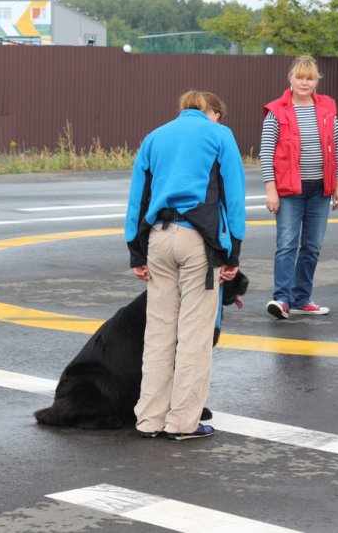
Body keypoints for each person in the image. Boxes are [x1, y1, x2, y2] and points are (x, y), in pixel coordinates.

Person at [125, 90, 246, 440]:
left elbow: (138, 196)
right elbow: (233, 196)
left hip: (158, 239)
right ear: (210, 112)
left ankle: (148, 420)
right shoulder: (219, 135)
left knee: (159, 333)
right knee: (194, 335)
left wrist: (136, 251)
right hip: (199, 241)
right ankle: (183, 423)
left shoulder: (155, 137)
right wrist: (232, 252)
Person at [260, 56, 338, 320]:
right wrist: (270, 189)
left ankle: (302, 298)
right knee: (286, 245)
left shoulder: (328, 108)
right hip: (289, 191)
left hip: (320, 190)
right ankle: (282, 300)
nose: (304, 82)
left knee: (312, 246)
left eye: (310, 78)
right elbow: (266, 152)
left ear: (316, 80)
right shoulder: (277, 111)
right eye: (300, 77)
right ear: (291, 79)